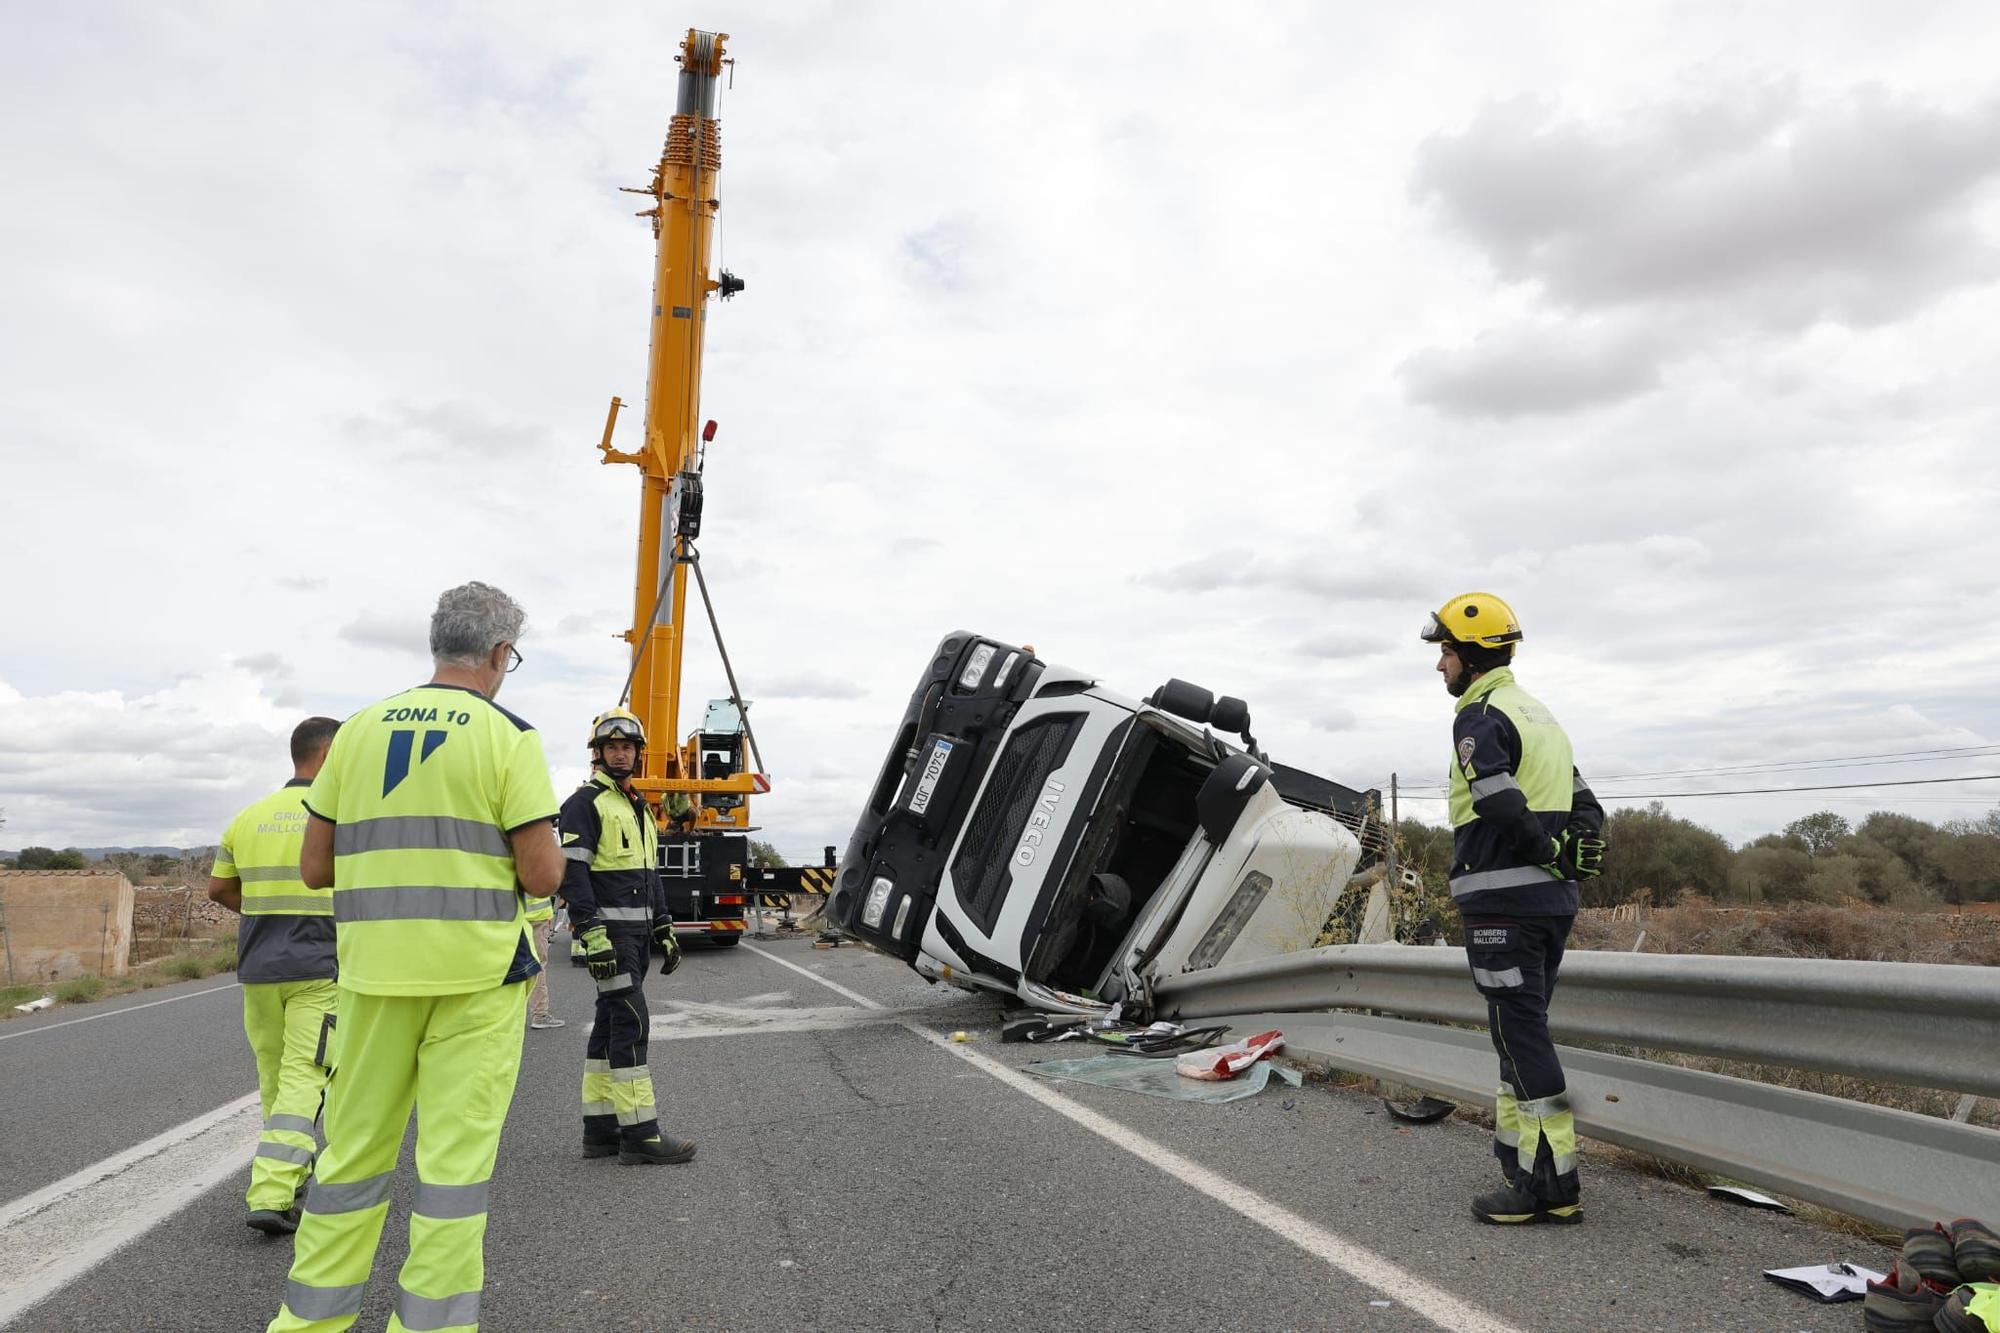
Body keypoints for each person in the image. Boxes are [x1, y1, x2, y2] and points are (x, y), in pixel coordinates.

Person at [267, 582, 563, 1333]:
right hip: (475, 983)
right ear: (500, 654)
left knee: (349, 1163)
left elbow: (314, 867)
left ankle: (308, 1325)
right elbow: (541, 874)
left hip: (369, 979)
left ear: (437, 644)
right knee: (452, 1177)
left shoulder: (357, 732)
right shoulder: (509, 736)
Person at [1420, 592, 1605, 1226]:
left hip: (1505, 900)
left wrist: (1547, 848)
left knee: (1517, 1029)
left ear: (1470, 655)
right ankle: (1519, 1163)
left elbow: (1495, 797)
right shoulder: (1539, 714)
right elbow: (1588, 803)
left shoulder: (1480, 714)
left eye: (1444, 652)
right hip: (1550, 904)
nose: (1439, 665)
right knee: (1516, 1029)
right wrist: (1572, 855)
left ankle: (1551, 1187)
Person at [209, 715, 343, 1237]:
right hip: (319, 967)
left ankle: (287, 1175)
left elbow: (218, 891)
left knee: (275, 1079)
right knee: (307, 1077)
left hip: (260, 968)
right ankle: (272, 1191)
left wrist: (267, 912)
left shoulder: (248, 817)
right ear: (329, 756)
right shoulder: (338, 817)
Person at [560, 706, 695, 1165]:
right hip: (610, 939)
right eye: (612, 747)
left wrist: (665, 925)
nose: (620, 754)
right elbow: (572, 874)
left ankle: (599, 1131)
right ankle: (640, 1135)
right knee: (633, 1023)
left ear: (636, 753)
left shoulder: (638, 806)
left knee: (610, 1025)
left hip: (637, 939)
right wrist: (591, 933)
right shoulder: (584, 804)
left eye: (627, 747)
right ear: (598, 753)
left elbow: (649, 874)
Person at [525, 884, 563, 1029]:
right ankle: (540, 1014)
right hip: (536, 917)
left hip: (512, 917)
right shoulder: (534, 860)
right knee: (537, 965)